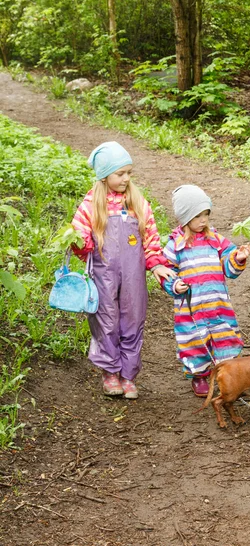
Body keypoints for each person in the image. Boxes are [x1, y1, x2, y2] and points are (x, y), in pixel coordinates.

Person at [72, 141, 175, 399]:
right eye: (120, 173)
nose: (126, 179)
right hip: (103, 274)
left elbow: (151, 237)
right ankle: (110, 372)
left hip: (133, 274)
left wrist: (157, 264)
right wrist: (80, 241)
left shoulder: (137, 203)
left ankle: (128, 374)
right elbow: (80, 239)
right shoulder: (91, 205)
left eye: (129, 173)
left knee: (133, 317)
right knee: (106, 320)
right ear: (104, 175)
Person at [162, 184, 250, 397]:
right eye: (197, 216)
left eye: (206, 215)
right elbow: (166, 271)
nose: (203, 220)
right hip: (191, 306)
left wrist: (237, 258)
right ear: (184, 218)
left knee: (224, 333)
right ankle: (200, 375)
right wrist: (174, 284)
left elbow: (228, 265)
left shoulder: (216, 240)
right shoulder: (175, 245)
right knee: (194, 339)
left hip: (216, 301)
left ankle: (227, 371)